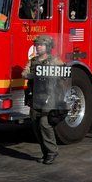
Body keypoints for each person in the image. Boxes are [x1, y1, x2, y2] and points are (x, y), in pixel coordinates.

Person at [21, 35, 66, 164]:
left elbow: (65, 73)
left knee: (44, 124)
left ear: (48, 47)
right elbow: (24, 73)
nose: (38, 47)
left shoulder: (55, 60)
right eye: (37, 45)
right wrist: (34, 75)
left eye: (41, 45)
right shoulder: (33, 61)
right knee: (35, 125)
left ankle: (52, 152)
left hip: (50, 96)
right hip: (35, 96)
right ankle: (45, 152)